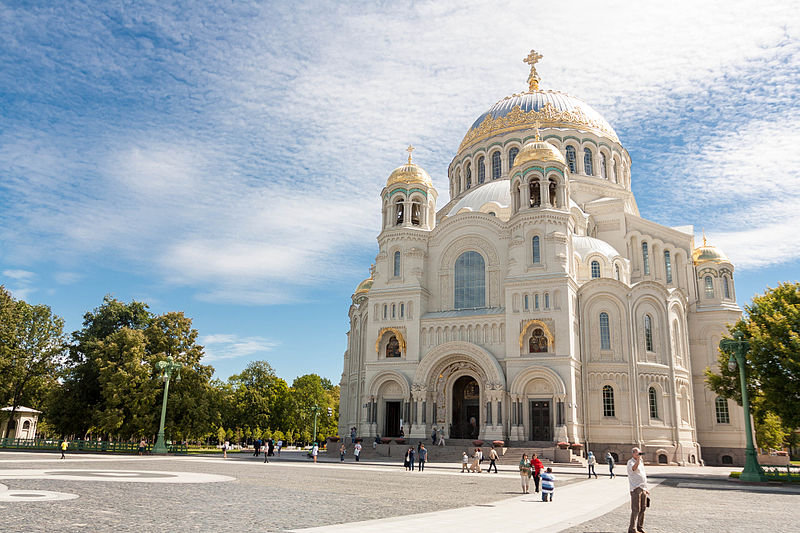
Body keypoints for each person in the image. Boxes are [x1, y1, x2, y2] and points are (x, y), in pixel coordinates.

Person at [627, 447, 649, 533]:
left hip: (642, 488)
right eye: (637, 453)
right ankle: (632, 528)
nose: (639, 454)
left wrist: (646, 488)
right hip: (635, 488)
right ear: (633, 453)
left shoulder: (641, 462)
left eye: (640, 453)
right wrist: (638, 459)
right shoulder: (630, 462)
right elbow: (634, 469)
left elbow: (642, 474)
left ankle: (640, 527)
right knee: (635, 509)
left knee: (643, 508)